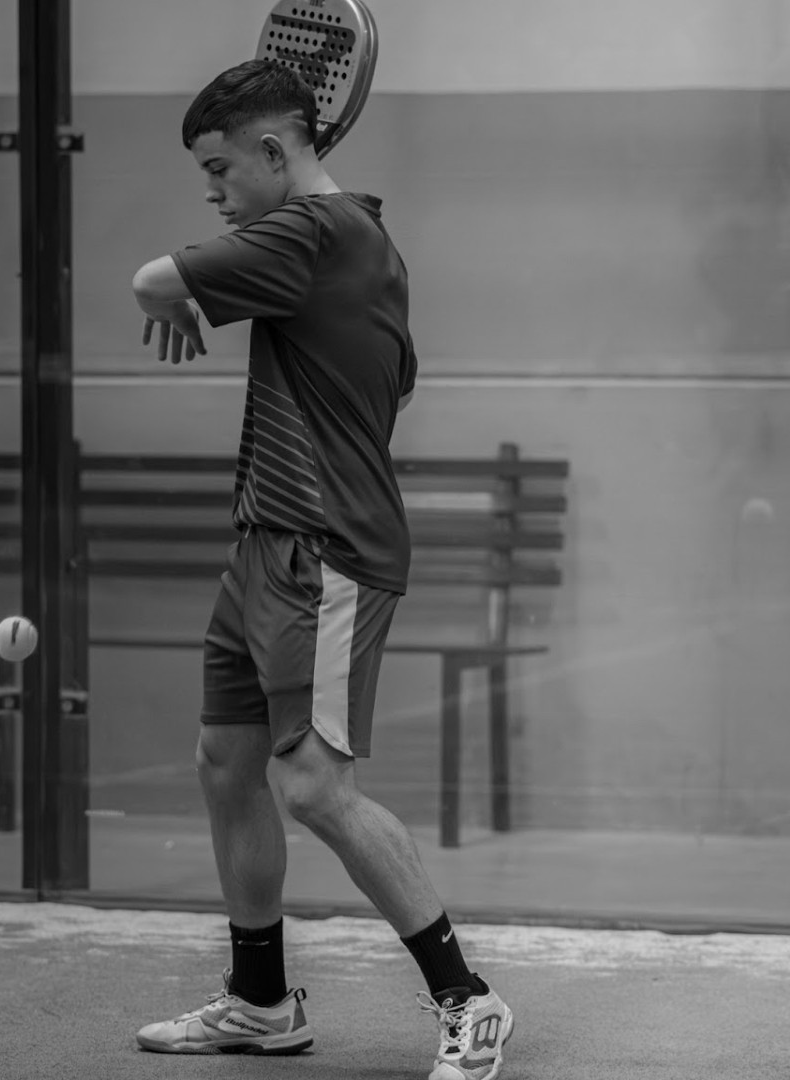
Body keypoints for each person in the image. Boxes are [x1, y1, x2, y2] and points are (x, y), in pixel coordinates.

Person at [131, 59, 514, 1080]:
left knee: (313, 787)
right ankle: (261, 1003)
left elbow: (153, 281)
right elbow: (391, 379)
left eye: (220, 170)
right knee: (227, 760)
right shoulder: (353, 240)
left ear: (274, 150)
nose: (212, 193)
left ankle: (469, 1001)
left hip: (326, 550)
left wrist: (180, 294)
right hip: (266, 542)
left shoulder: (315, 231)